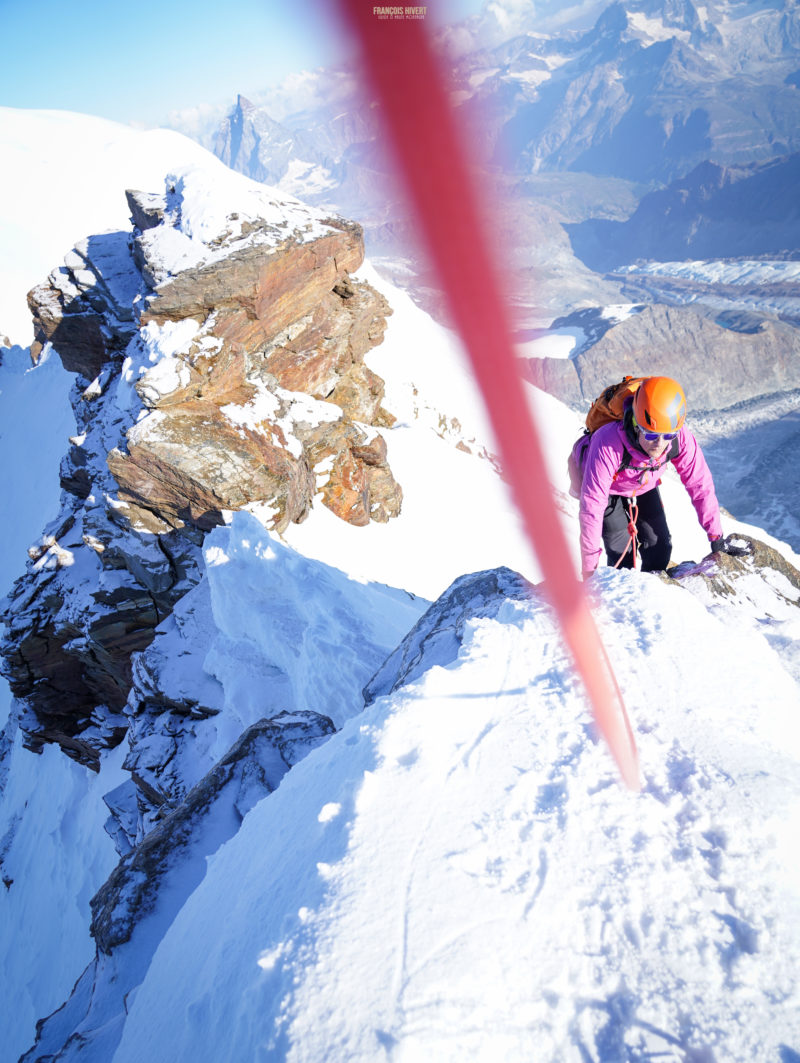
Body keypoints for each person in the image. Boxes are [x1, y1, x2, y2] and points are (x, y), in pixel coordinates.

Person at [579, 376, 739, 579]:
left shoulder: (679, 437)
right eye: (651, 435)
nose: (660, 444)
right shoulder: (607, 442)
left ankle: (655, 593)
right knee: (622, 558)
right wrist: (589, 571)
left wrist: (716, 538)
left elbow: (700, 484)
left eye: (668, 436)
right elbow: (592, 507)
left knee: (660, 548)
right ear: (636, 424)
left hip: (644, 485)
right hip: (609, 490)